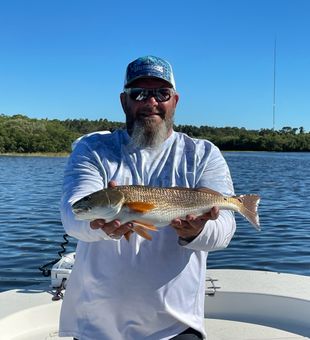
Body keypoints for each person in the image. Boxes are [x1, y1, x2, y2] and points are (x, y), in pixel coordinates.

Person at [59, 55, 236, 340]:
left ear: (174, 101)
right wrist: (100, 227)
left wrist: (199, 230)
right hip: (96, 326)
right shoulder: (93, 149)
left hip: (177, 324)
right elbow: (73, 214)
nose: (150, 102)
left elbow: (224, 229)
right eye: (139, 93)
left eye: (161, 93)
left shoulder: (203, 154)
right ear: (124, 101)